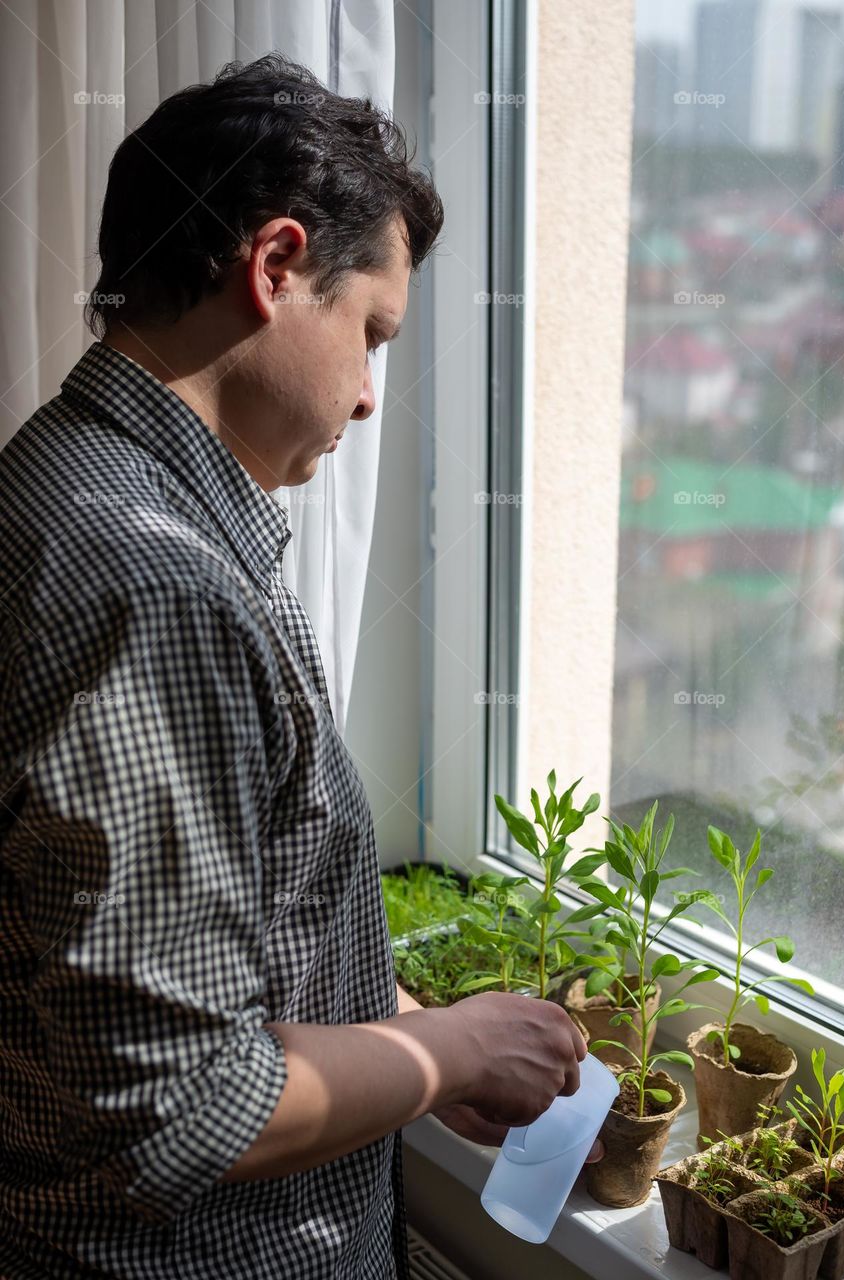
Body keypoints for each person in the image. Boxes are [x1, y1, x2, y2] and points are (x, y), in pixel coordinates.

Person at [0, 54, 600, 1280]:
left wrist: (406, 1046)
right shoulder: (154, 581)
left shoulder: (63, 479)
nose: (372, 398)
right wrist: (453, 1052)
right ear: (274, 268)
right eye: (371, 334)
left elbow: (197, 961)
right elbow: (178, 1102)